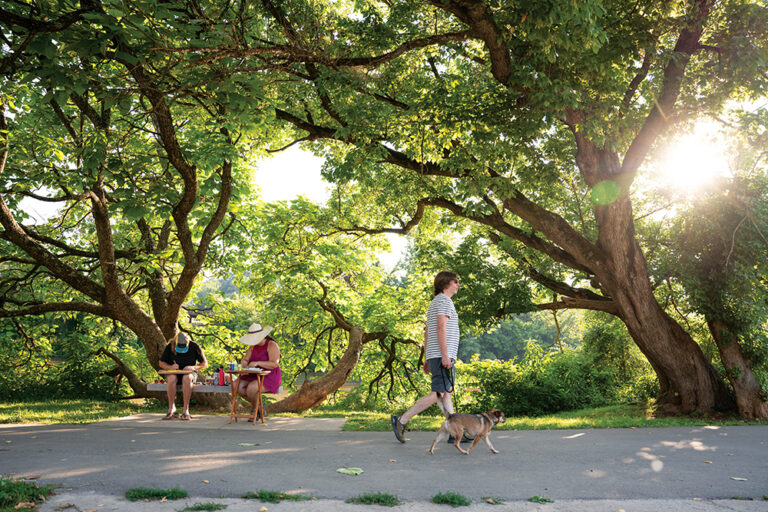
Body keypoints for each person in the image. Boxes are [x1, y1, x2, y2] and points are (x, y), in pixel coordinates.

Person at [392, 270, 461, 443]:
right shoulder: (444, 301)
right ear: (446, 283)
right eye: (456, 281)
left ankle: (454, 433)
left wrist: (427, 357)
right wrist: (445, 356)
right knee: (439, 392)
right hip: (442, 355)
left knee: (447, 393)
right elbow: (440, 328)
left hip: (436, 355)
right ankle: (401, 420)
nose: (458, 284)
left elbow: (427, 331)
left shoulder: (435, 302)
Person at [237, 323, 282, 421]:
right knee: (237, 386)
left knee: (251, 389)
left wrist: (257, 363)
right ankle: (260, 406)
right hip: (253, 374)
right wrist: (245, 364)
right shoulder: (252, 347)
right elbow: (245, 360)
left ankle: (254, 410)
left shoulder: (272, 345)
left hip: (270, 375)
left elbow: (274, 364)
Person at [158, 331, 207, 420]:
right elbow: (161, 363)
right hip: (174, 373)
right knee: (172, 378)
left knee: (187, 377)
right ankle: (171, 408)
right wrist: (170, 367)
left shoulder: (194, 346)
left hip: (189, 373)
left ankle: (185, 409)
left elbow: (204, 363)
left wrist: (193, 367)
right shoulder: (170, 346)